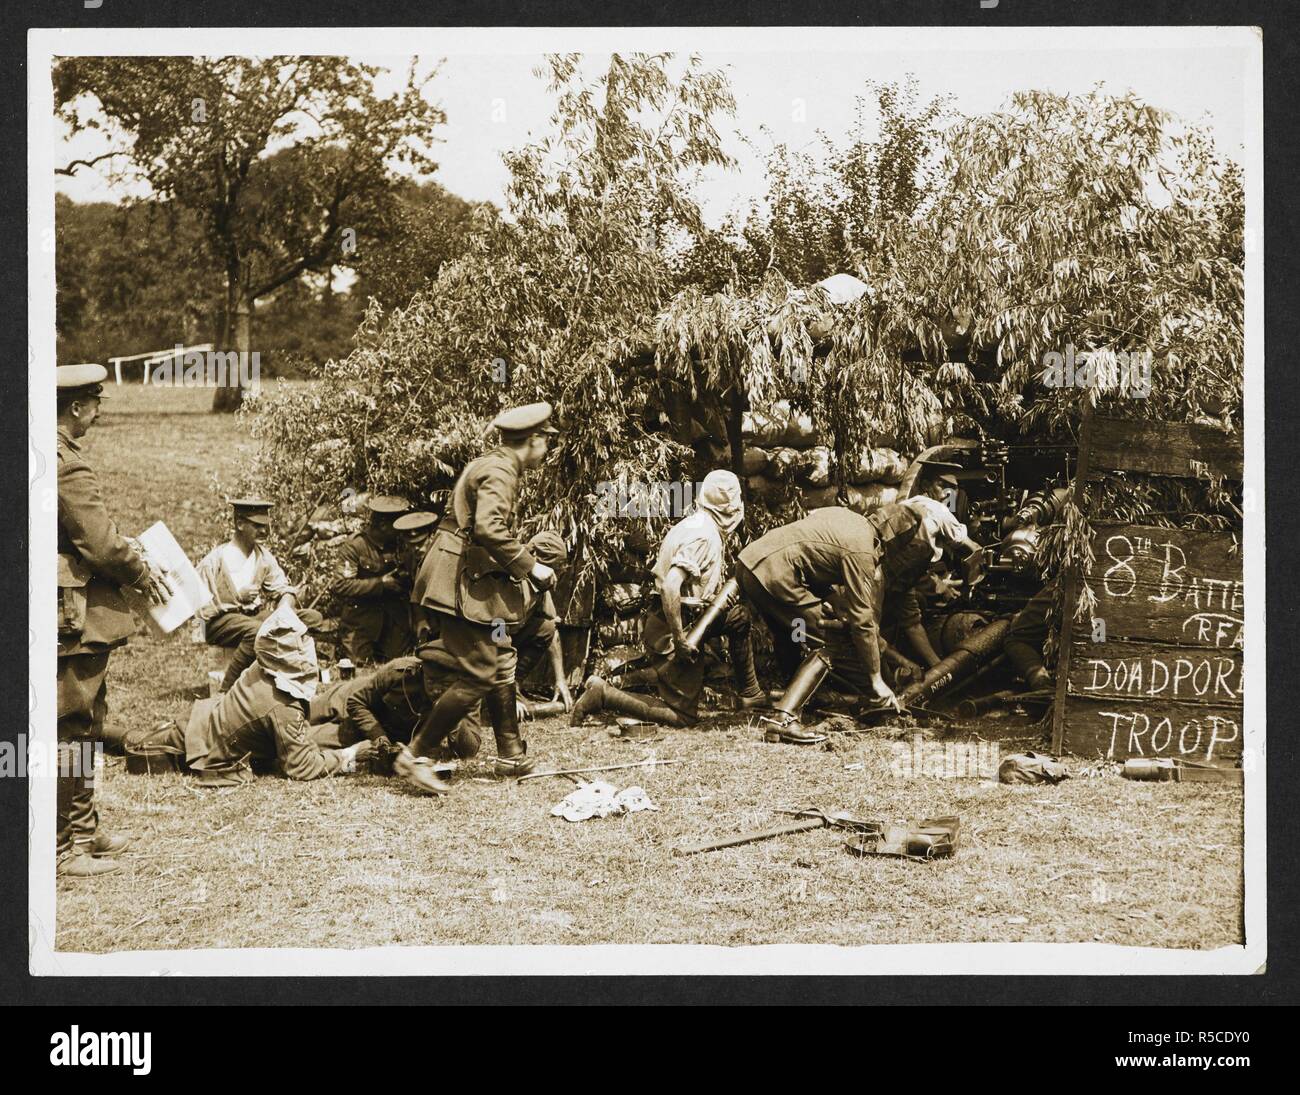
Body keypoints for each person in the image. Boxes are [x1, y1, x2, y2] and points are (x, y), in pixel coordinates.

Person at [397, 403, 559, 791]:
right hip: (458, 582)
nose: (547, 450)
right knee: (480, 672)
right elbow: (487, 527)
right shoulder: (502, 470)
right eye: (545, 441)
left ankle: (511, 755)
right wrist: (530, 566)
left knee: (500, 657)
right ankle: (416, 755)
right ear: (532, 440)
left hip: (463, 577)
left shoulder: (492, 463)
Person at [55, 363, 170, 877]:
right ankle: (65, 846)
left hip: (64, 610)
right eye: (95, 402)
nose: (99, 412)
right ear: (77, 406)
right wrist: (139, 568)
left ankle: (84, 829)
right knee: (71, 728)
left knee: (86, 721)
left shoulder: (42, 453)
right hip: (73, 615)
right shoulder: (68, 465)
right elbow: (98, 544)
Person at [571, 470, 763, 728]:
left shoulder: (692, 524)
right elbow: (670, 587)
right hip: (674, 628)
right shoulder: (704, 536)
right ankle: (604, 695)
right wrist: (680, 640)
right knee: (682, 716)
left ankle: (749, 693)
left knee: (739, 617)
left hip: (690, 619)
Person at [736, 506, 893, 740]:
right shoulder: (863, 550)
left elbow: (810, 552)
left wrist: (832, 597)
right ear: (882, 543)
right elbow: (862, 620)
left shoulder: (845, 518)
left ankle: (796, 699)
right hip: (777, 576)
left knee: (793, 634)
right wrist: (876, 678)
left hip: (750, 566)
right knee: (830, 639)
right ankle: (783, 718)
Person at [185, 605, 370, 782]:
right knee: (335, 733)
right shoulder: (283, 706)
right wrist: (350, 756)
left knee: (330, 709)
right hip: (197, 743)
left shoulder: (263, 665)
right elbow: (302, 766)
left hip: (200, 723)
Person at [195, 498, 323, 692]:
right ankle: (226, 691)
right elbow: (200, 607)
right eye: (257, 526)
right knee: (258, 631)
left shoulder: (262, 557)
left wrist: (284, 609)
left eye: (266, 526)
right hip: (219, 623)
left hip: (251, 618)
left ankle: (291, 679)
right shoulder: (215, 560)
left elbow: (284, 588)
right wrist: (237, 597)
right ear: (240, 524)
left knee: (312, 618)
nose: (264, 531)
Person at [309, 655, 481, 775]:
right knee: (300, 716)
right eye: (431, 681)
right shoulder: (400, 672)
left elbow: (468, 752)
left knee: (305, 741)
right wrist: (379, 737)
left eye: (444, 684)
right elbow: (356, 702)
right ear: (421, 671)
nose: (436, 689)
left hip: (367, 728)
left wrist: (451, 712)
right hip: (353, 699)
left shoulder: (468, 690)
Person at [333, 494, 413, 663]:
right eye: (396, 526)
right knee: (359, 671)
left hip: (393, 619)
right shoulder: (356, 546)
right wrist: (380, 584)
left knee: (397, 668)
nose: (401, 531)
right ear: (383, 525)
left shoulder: (400, 544)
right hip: (361, 621)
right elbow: (341, 585)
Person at [394, 510, 440, 644]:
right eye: (412, 545)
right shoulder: (410, 558)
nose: (416, 549)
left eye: (420, 543)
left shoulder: (441, 557)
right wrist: (421, 620)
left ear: (431, 537)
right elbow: (414, 591)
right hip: (427, 616)